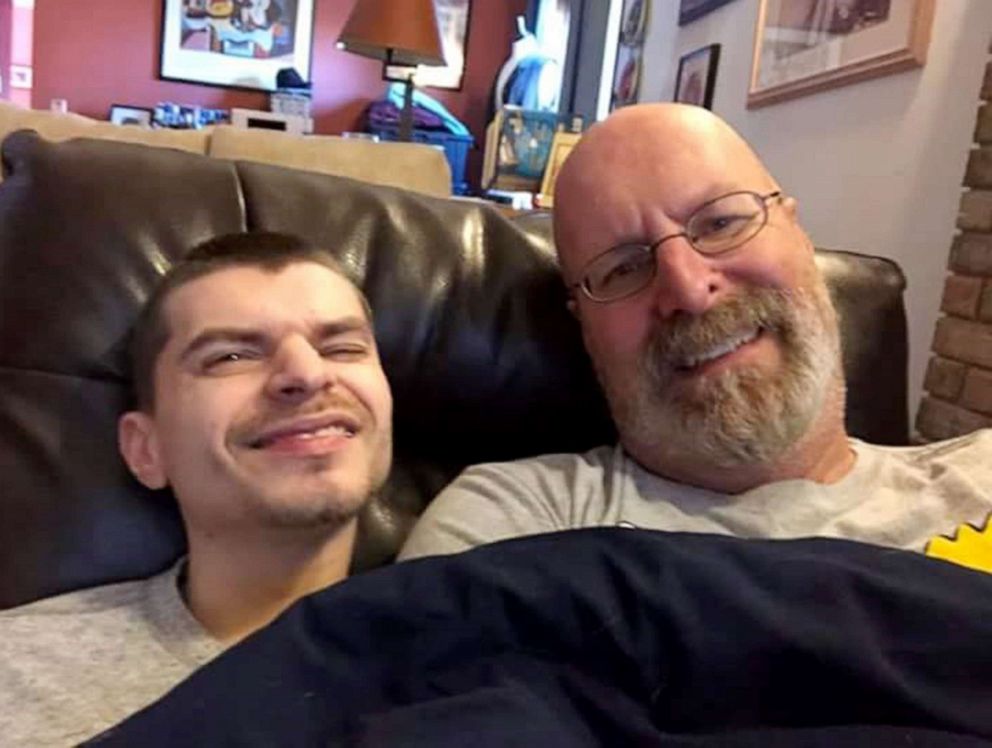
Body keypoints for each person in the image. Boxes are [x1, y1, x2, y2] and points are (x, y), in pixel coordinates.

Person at [400, 103, 992, 568]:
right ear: (583, 324)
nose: (686, 287)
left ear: (798, 234)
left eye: (721, 222)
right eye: (623, 267)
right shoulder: (513, 525)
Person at [0, 231, 393, 746]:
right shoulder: (15, 669)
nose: (308, 373)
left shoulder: (483, 646)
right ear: (146, 448)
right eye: (230, 357)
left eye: (342, 347)